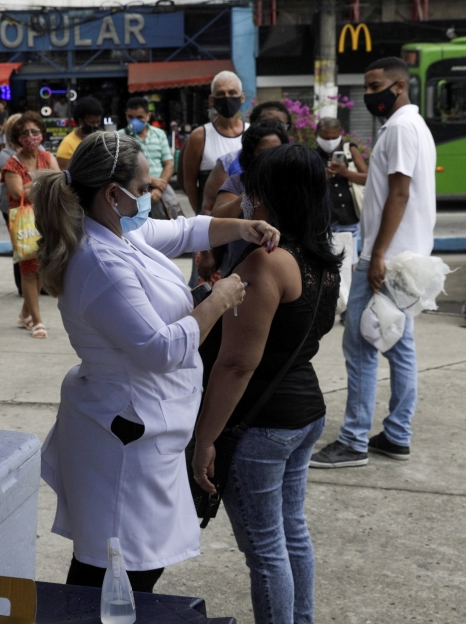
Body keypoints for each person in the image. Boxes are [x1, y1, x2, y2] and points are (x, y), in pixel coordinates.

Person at [34, 130, 278, 593]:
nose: (151, 196)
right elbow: (160, 348)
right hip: (126, 433)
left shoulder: (122, 232)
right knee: (119, 567)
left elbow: (187, 230)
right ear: (112, 194)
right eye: (144, 189)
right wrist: (217, 299)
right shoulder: (100, 261)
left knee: (122, 562)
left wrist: (241, 227)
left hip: (141, 422)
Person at [192, 144, 341, 624]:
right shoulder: (323, 254)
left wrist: (205, 439)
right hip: (305, 414)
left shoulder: (265, 264)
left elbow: (236, 365)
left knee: (266, 550)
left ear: (271, 194)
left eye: (253, 190)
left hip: (262, 425)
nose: (247, 198)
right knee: (291, 531)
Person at [311, 57, 437, 468]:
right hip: (409, 256)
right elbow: (388, 184)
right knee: (400, 346)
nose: (368, 94)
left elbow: (399, 194)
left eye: (375, 85)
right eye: (365, 86)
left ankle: (353, 441)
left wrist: (377, 254)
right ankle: (397, 434)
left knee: (360, 344)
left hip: (389, 257)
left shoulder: (400, 128)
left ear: (398, 86)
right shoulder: (410, 126)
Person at [203, 121, 291, 276]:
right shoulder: (238, 182)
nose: (271, 157)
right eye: (263, 152)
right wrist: (249, 192)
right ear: (251, 154)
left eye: (276, 150)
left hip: (286, 267)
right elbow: (216, 222)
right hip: (244, 269)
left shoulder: (292, 183)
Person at [2, 111, 60, 338]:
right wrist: (43, 180)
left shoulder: (47, 157)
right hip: (24, 223)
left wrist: (33, 183)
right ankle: (36, 321)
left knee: (42, 269)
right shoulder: (12, 163)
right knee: (28, 270)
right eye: (25, 132)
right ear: (18, 137)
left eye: (35, 131)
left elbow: (58, 184)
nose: (30, 136)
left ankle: (25, 313)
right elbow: (17, 192)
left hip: (46, 219)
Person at [316, 117, 368, 315]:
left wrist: (345, 172)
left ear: (340, 135)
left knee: (350, 266)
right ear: (316, 135)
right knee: (326, 267)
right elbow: (304, 184)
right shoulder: (311, 154)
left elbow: (368, 177)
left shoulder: (350, 150)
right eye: (325, 137)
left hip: (348, 218)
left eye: (333, 137)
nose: (329, 140)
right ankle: (328, 306)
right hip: (324, 221)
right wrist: (323, 176)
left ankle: (349, 310)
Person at [180, 71, 248, 217]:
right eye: (221, 94)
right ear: (211, 100)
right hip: (213, 221)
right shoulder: (200, 136)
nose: (227, 98)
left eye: (232, 92)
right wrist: (201, 216)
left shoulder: (252, 133)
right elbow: (190, 183)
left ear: (242, 97)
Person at [123, 97, 175, 220]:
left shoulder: (159, 134)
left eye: (140, 117)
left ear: (148, 116)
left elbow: (168, 164)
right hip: (133, 188)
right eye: (130, 117)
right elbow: (120, 169)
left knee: (172, 217)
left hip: (161, 186)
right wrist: (150, 180)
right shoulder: (121, 136)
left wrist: (159, 188)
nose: (134, 121)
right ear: (126, 116)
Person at [0, 113, 24, 296]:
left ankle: (40, 283)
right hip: (11, 207)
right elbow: (15, 186)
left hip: (34, 205)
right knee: (21, 244)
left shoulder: (38, 150)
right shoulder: (6, 154)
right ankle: (23, 285)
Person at [55, 96, 103, 170]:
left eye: (98, 122)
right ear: (80, 121)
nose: (96, 125)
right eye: (92, 122)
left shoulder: (102, 138)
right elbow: (64, 176)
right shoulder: (67, 145)